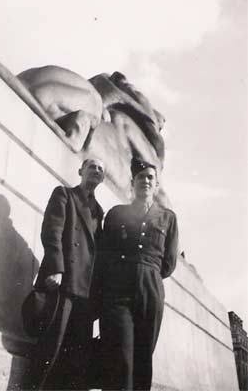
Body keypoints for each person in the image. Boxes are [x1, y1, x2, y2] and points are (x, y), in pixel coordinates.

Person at [100, 157, 178, 391]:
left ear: (156, 185)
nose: (145, 180)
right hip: (118, 290)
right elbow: (105, 254)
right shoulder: (116, 214)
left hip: (151, 290)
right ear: (132, 183)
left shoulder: (168, 218)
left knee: (143, 357)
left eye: (150, 178)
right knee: (119, 354)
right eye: (140, 177)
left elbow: (169, 263)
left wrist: (147, 273)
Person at [27, 158, 105, 390]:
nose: (96, 171)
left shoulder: (99, 211)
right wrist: (57, 269)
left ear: (102, 178)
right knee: (50, 349)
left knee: (77, 359)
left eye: (101, 169)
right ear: (81, 171)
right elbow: (52, 232)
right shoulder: (64, 195)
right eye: (92, 166)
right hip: (62, 285)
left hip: (85, 293)